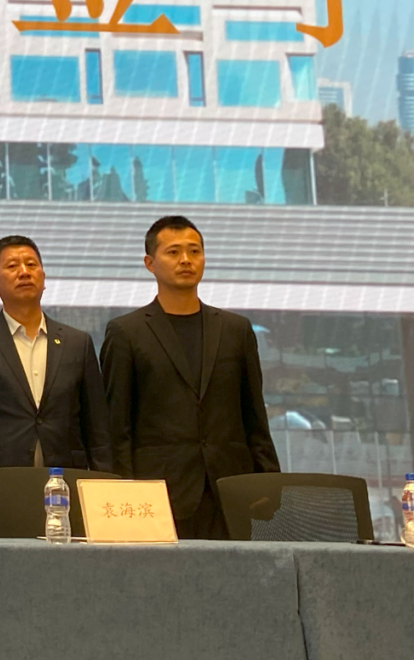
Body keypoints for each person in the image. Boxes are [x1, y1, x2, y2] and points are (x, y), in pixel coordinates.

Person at [101, 215, 280, 539]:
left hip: (231, 490)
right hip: (157, 495)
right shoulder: (126, 332)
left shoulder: (236, 330)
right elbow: (117, 426)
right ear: (150, 263)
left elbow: (254, 415)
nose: (186, 260)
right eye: (173, 252)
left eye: (194, 251)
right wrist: (123, 492)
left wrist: (269, 482)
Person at [0, 235, 113, 537]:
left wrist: (104, 493)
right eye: (12, 266)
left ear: (43, 277)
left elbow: (97, 429)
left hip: (67, 487)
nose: (24, 272)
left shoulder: (77, 343)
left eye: (31, 265)